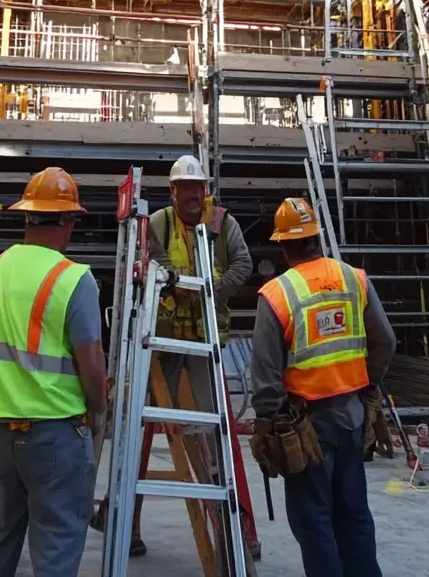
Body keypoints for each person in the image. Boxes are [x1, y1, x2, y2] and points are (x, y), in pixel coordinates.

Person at [248, 197, 394, 577]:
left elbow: (265, 375)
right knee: (354, 515)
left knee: (314, 523)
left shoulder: (277, 294)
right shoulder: (354, 278)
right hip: (353, 416)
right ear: (316, 237)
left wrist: (270, 421)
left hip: (306, 426)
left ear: (283, 244)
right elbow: (386, 341)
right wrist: (369, 386)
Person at [0, 167, 108, 577]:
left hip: (3, 434)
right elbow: (91, 363)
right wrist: (99, 408)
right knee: (56, 545)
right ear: (68, 221)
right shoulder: (73, 279)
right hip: (56, 434)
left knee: (1, 536)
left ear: (28, 216)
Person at [125, 153, 253, 557]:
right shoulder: (160, 222)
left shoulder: (222, 224)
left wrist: (209, 290)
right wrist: (172, 283)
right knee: (139, 431)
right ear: (174, 191)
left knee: (216, 432)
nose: (193, 195)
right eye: (186, 189)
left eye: (199, 188)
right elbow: (152, 258)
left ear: (205, 189)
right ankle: (126, 520)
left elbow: (243, 265)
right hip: (163, 342)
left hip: (204, 342)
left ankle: (238, 527)